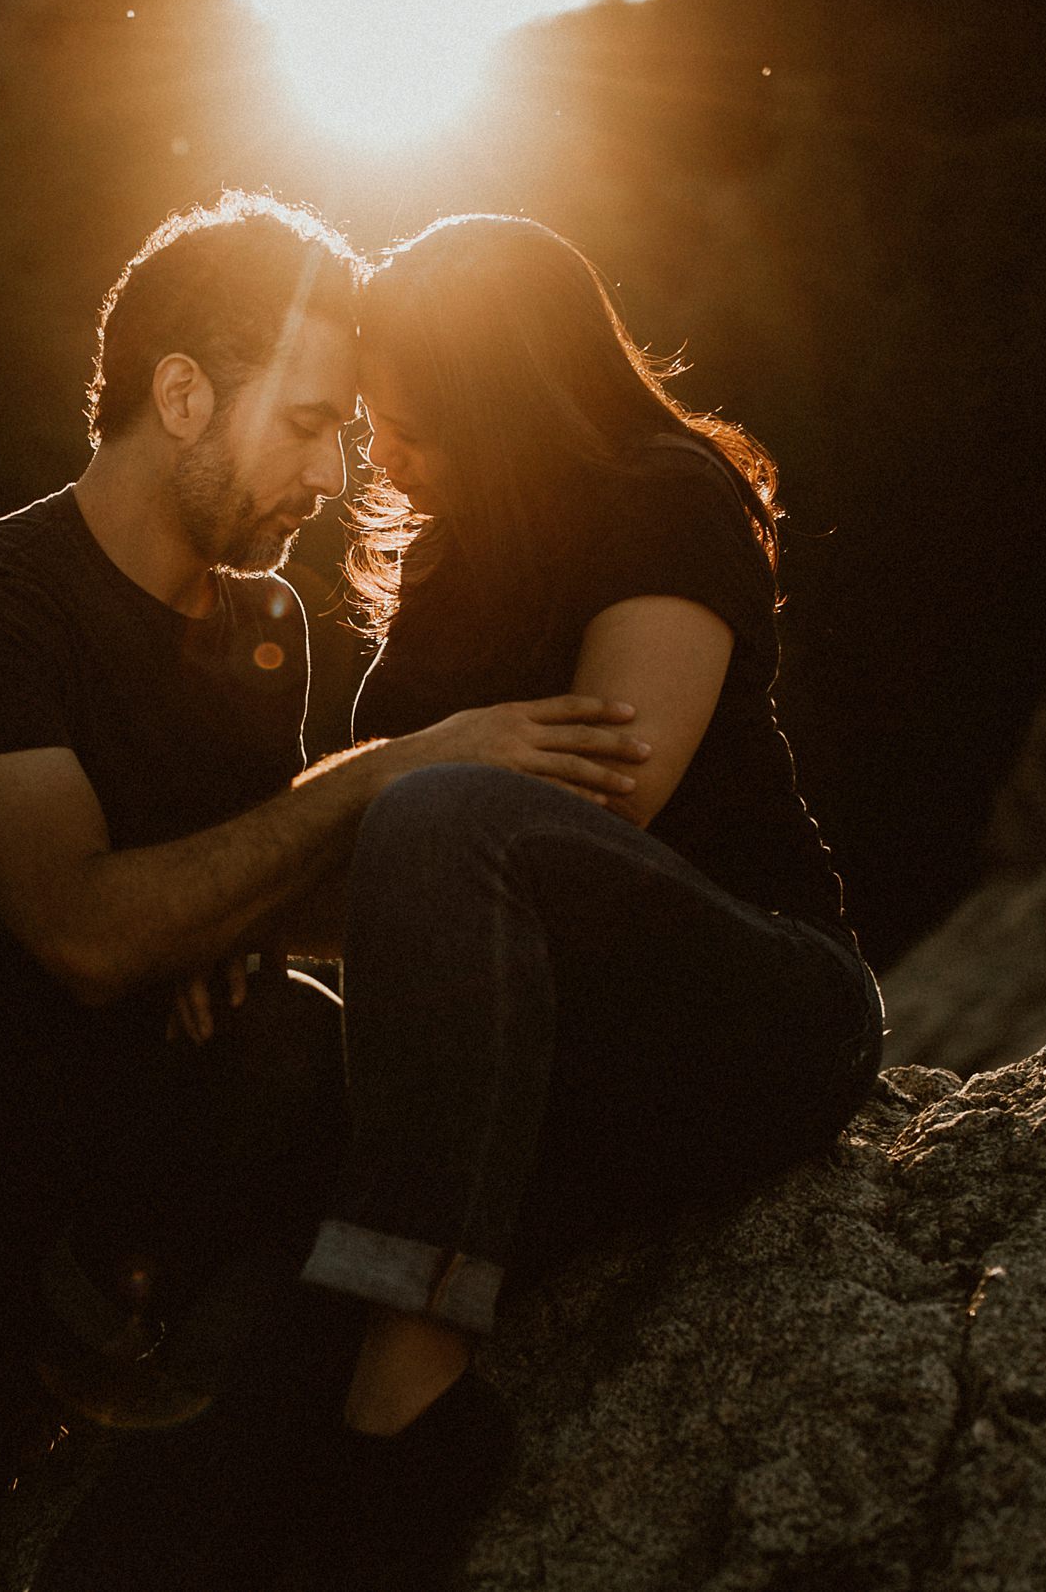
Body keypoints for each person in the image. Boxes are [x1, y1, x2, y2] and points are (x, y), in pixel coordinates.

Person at [0, 193, 650, 1592]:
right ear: (181, 394)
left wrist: (446, 860)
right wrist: (385, 772)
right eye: (308, 420)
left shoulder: (266, 620)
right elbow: (85, 932)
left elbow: (253, 887)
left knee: (336, 1063)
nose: (336, 472)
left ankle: (17, 1410)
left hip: (182, 1144)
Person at [286, 213, 887, 1588]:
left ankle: (413, 1391)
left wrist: (404, 798)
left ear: (501, 399)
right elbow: (389, 882)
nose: (385, 460)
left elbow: (611, 792)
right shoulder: (447, 559)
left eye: (411, 422)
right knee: (269, 1312)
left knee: (449, 807)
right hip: (552, 1060)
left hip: (755, 1005)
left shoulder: (662, 496)